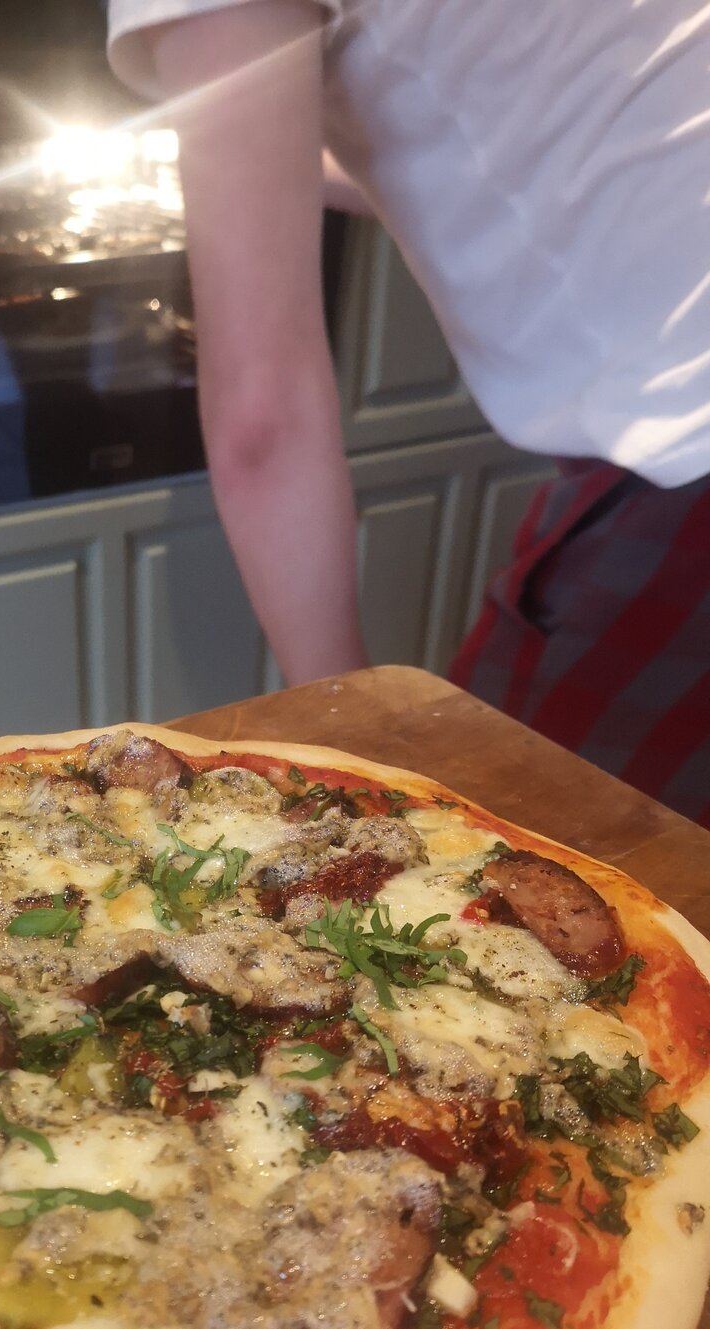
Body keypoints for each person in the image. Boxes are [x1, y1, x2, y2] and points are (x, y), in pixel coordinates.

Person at [106, 0, 710, 823]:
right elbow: (495, 148)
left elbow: (262, 417)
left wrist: (346, 736)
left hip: (683, 444)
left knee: (493, 828)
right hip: (676, 437)